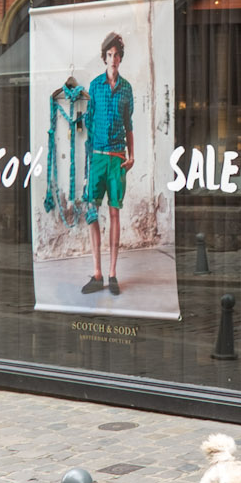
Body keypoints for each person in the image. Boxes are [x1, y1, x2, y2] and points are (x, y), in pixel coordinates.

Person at [83, 32, 135, 296]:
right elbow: (89, 122)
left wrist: (132, 155)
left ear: (120, 58)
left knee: (114, 213)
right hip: (98, 158)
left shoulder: (127, 89)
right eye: (110, 55)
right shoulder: (95, 86)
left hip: (117, 159)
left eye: (117, 55)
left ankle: (112, 274)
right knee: (92, 212)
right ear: (104, 58)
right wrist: (88, 160)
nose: (113, 59)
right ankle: (97, 273)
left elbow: (129, 125)